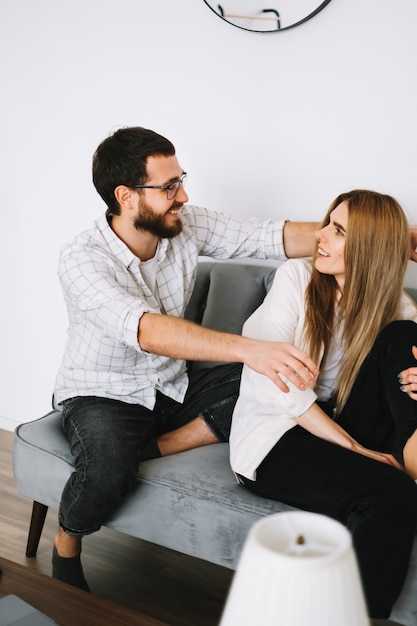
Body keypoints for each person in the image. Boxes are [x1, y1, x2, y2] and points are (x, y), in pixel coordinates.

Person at [51, 126, 323, 591]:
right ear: (126, 196)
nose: (183, 195)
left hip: (172, 386)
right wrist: (249, 348)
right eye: (169, 186)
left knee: (284, 381)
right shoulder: (82, 259)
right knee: (107, 471)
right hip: (104, 393)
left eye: (181, 179)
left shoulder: (184, 223)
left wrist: (376, 234)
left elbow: (270, 237)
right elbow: (146, 330)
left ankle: (158, 445)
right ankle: (66, 543)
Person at [229, 189, 417, 619]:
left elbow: (394, 393)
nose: (320, 236)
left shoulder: (399, 309)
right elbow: (275, 378)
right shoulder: (295, 278)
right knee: (393, 493)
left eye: (338, 231)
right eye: (327, 224)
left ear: (370, 248)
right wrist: (356, 450)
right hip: (277, 434)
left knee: (403, 338)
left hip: (340, 419)